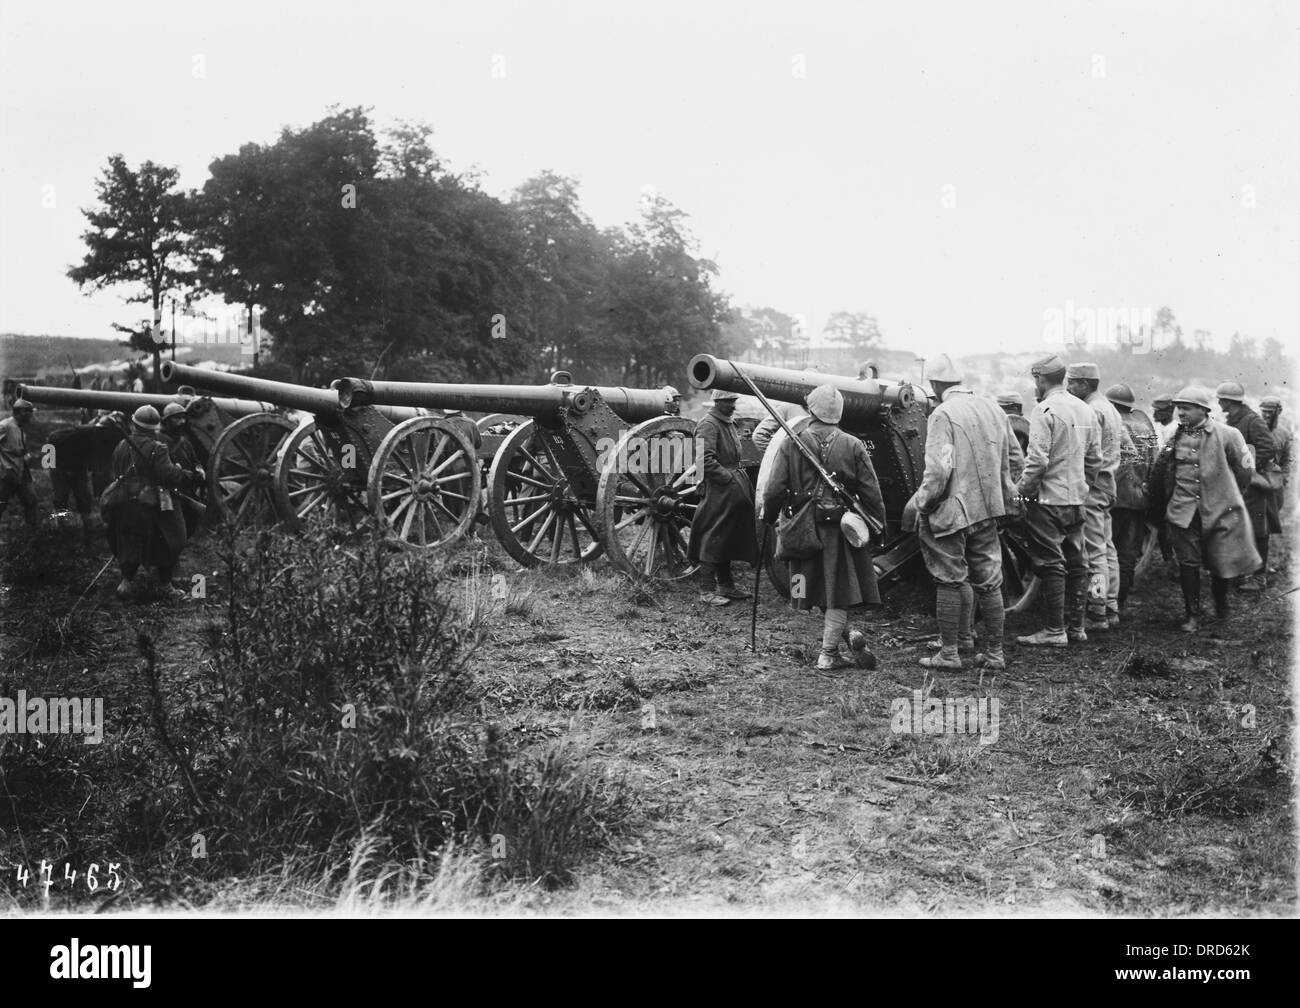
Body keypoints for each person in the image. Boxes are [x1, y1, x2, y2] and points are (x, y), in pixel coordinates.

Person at [907, 356, 1019, 671]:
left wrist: (923, 505)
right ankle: (994, 653)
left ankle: (950, 652)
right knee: (989, 580)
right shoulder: (994, 409)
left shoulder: (942, 413)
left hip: (952, 511)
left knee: (949, 579)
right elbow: (1014, 457)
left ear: (935, 386)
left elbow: (939, 470)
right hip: (987, 510)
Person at [763, 384, 886, 669]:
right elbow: (872, 493)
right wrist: (877, 527)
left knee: (805, 587)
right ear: (839, 413)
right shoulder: (852, 444)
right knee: (838, 590)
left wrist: (769, 517)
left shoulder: (792, 442)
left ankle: (843, 634)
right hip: (840, 530)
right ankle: (828, 653)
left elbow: (773, 491)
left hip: (800, 528)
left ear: (810, 409)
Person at [1149, 386, 1259, 631]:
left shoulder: (1229, 434)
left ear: (1203, 410)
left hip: (1220, 510)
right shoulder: (1174, 437)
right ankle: (1192, 615)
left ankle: (1221, 606)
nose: (1181, 413)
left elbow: (1245, 469)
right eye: (1179, 408)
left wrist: (1230, 495)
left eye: (1186, 408)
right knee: (1188, 563)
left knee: (1221, 562)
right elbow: (1163, 472)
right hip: (1183, 512)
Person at [1014, 355, 1101, 647]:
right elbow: (1095, 459)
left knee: (1051, 563)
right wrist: (1082, 487)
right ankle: (1076, 628)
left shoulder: (1044, 410)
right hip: (1076, 500)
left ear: (1040, 379)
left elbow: (1036, 461)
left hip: (1048, 502)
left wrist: (1020, 493)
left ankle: (1054, 630)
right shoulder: (1086, 410)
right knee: (1077, 562)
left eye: (1034, 380)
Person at [103, 405, 202, 600]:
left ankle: (126, 584)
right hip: (152, 501)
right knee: (172, 538)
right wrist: (189, 475)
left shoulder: (122, 445)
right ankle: (165, 585)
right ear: (156, 427)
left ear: (134, 424)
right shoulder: (158, 448)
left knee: (129, 539)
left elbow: (115, 469)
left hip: (124, 499)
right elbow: (168, 475)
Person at [688, 389, 757, 605]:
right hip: (719, 489)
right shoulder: (708, 424)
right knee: (713, 536)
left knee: (726, 537)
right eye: (729, 401)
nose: (734, 405)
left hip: (731, 486)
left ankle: (726, 586)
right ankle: (706, 591)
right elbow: (704, 459)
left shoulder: (725, 421)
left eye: (734, 400)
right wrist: (727, 478)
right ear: (718, 402)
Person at [1067, 363, 1122, 630]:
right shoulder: (1109, 408)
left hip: (1093, 488)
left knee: (1094, 552)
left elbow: (1085, 454)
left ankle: (1097, 611)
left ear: (1085, 385)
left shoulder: (1090, 410)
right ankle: (1110, 605)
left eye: (1072, 382)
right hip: (1107, 486)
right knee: (1107, 549)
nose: (1067, 387)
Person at [1215, 381, 1277, 591]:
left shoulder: (1251, 420)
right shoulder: (1234, 420)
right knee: (1239, 528)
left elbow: (1268, 448)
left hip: (1253, 485)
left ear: (1230, 401)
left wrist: (1248, 468)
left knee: (1258, 530)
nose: (1219, 402)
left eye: (1221, 399)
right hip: (1238, 484)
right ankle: (1243, 573)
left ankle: (1259, 577)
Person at [1105, 384, 1156, 614]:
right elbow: (1155, 463)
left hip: (1112, 498)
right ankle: (1120, 603)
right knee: (1127, 554)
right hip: (1138, 499)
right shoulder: (1145, 425)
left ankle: (1099, 603)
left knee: (1102, 554)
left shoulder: (1112, 423)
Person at [46, 413, 125, 537]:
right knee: (61, 497)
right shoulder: (81, 432)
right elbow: (53, 437)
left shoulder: (102, 437)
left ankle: (88, 527)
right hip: (60, 468)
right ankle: (60, 528)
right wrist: (55, 462)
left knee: (85, 497)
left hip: (79, 469)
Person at [160, 403, 205, 537]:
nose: (181, 422)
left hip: (187, 490)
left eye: (182, 418)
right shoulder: (159, 440)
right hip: (168, 492)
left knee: (190, 523)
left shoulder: (184, 441)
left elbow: (195, 461)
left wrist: (199, 469)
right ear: (167, 421)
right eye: (176, 418)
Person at [0, 398, 39, 528]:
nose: (31, 415)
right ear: (21, 412)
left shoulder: (21, 428)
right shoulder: (5, 426)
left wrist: (27, 455)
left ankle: (31, 534)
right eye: (29, 412)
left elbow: (19, 450)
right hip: (7, 473)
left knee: (31, 501)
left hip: (21, 472)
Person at [1259, 395, 1291, 526]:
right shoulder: (1253, 428)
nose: (1266, 415)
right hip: (1256, 482)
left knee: (1270, 519)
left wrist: (1284, 477)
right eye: (1264, 411)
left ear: (1279, 412)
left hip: (1275, 483)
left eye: (1270, 412)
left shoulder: (1284, 433)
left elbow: (1286, 459)